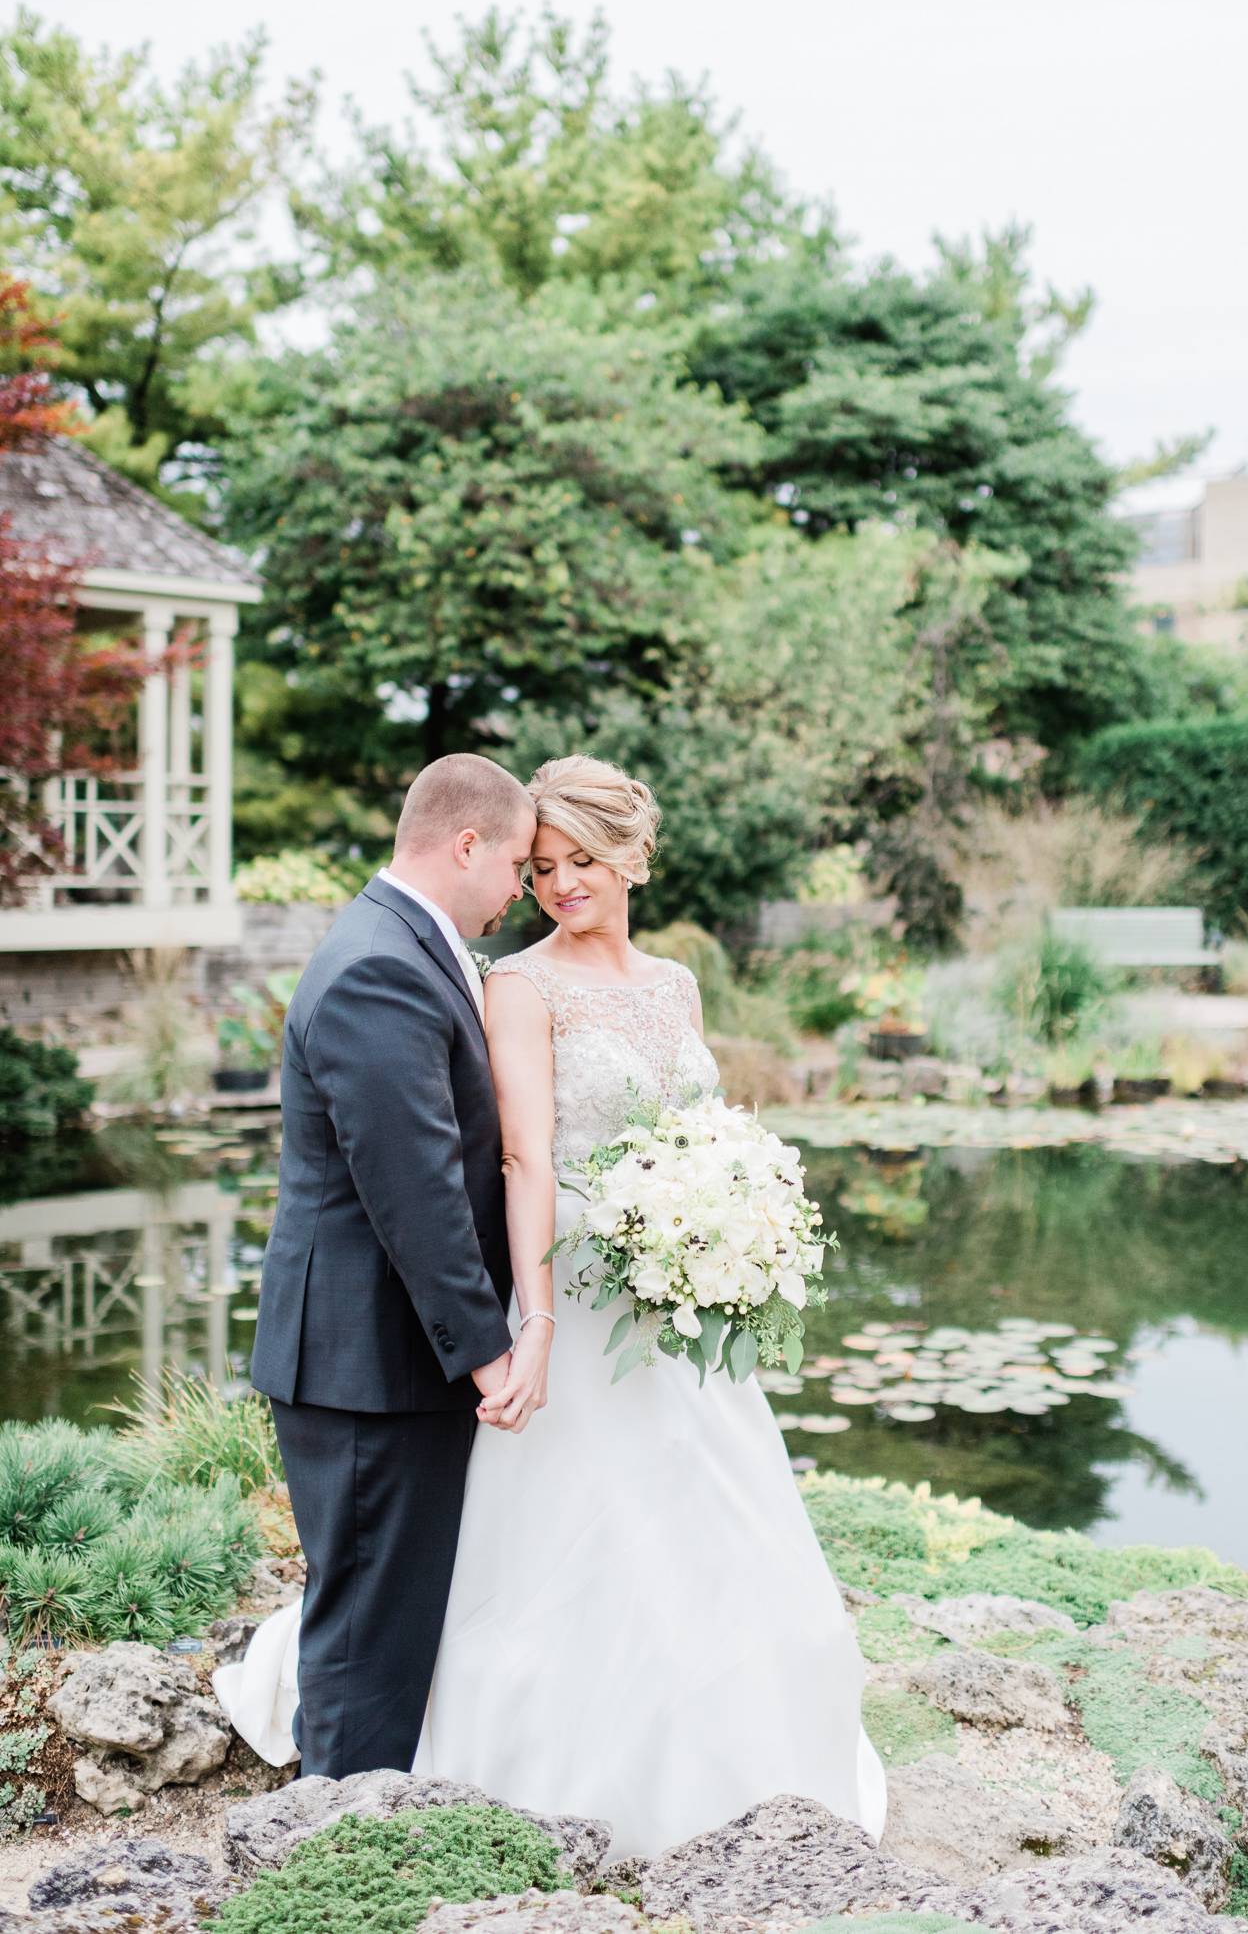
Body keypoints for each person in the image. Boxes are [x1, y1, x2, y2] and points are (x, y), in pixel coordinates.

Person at [224, 752, 884, 1853]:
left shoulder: (672, 984)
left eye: (579, 861)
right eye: (539, 866)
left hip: (666, 1313)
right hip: (557, 1300)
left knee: (701, 1544)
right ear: (488, 855)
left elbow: (681, 1134)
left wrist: (728, 1217)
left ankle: (731, 1762)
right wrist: (516, 1329)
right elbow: (489, 1170)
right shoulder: (498, 981)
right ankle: (348, 1826)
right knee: (481, 1566)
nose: (553, 885)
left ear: (633, 857)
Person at [244, 753, 537, 1780]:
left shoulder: (405, 943)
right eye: (513, 864)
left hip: (377, 1359)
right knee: (366, 1633)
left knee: (383, 1612)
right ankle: (333, 1844)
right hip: (366, 1366)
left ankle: (357, 1819)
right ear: (465, 844)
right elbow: (411, 1189)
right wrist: (487, 1353)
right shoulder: (379, 965)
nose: (519, 890)